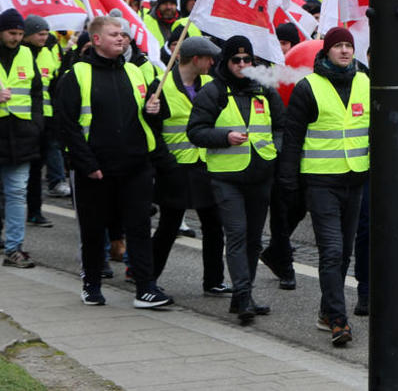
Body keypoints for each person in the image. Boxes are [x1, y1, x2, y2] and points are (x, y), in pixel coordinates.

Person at [56, 15, 172, 307]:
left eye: (123, 34)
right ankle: (92, 284)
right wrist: (86, 164)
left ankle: (146, 288)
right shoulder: (77, 74)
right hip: (96, 169)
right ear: (96, 40)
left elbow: (159, 117)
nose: (122, 38)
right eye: (114, 34)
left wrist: (155, 109)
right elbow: (66, 125)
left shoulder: (137, 72)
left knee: (139, 229)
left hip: (136, 166)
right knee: (94, 231)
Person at [279, 27, 369, 346]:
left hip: (355, 179)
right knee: (331, 251)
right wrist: (289, 181)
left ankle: (326, 311)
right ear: (326, 51)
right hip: (320, 181)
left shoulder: (365, 81)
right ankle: (338, 321)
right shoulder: (308, 87)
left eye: (349, 45)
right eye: (338, 46)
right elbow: (293, 139)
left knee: (343, 252)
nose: (344, 51)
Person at [187, 36, 284, 324]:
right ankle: (243, 296)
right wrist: (224, 137)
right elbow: (195, 131)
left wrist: (274, 151)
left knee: (254, 239)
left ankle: (244, 295)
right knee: (238, 236)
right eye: (236, 60)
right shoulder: (213, 91)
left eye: (247, 59)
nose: (242, 65)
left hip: (260, 176)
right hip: (226, 177)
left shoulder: (264, 89)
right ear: (225, 62)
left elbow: (281, 125)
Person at [146, 36, 228, 296]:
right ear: (196, 59)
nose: (212, 63)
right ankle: (147, 278)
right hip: (176, 167)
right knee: (169, 226)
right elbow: (152, 131)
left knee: (214, 224)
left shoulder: (211, 85)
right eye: (208, 58)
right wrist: (166, 163)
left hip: (205, 164)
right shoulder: (160, 87)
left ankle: (213, 281)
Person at [0, 9, 42, 267]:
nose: (16, 38)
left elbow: (36, 92)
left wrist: (36, 124)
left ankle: (14, 248)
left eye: (19, 33)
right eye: (11, 33)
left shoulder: (27, 54)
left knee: (16, 193)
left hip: (21, 136)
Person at [21, 14, 61, 226]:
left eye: (46, 33)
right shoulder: (18, 53)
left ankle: (35, 212)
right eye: (40, 33)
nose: (44, 37)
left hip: (45, 120)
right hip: (19, 119)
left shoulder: (50, 52)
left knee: (36, 169)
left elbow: (54, 84)